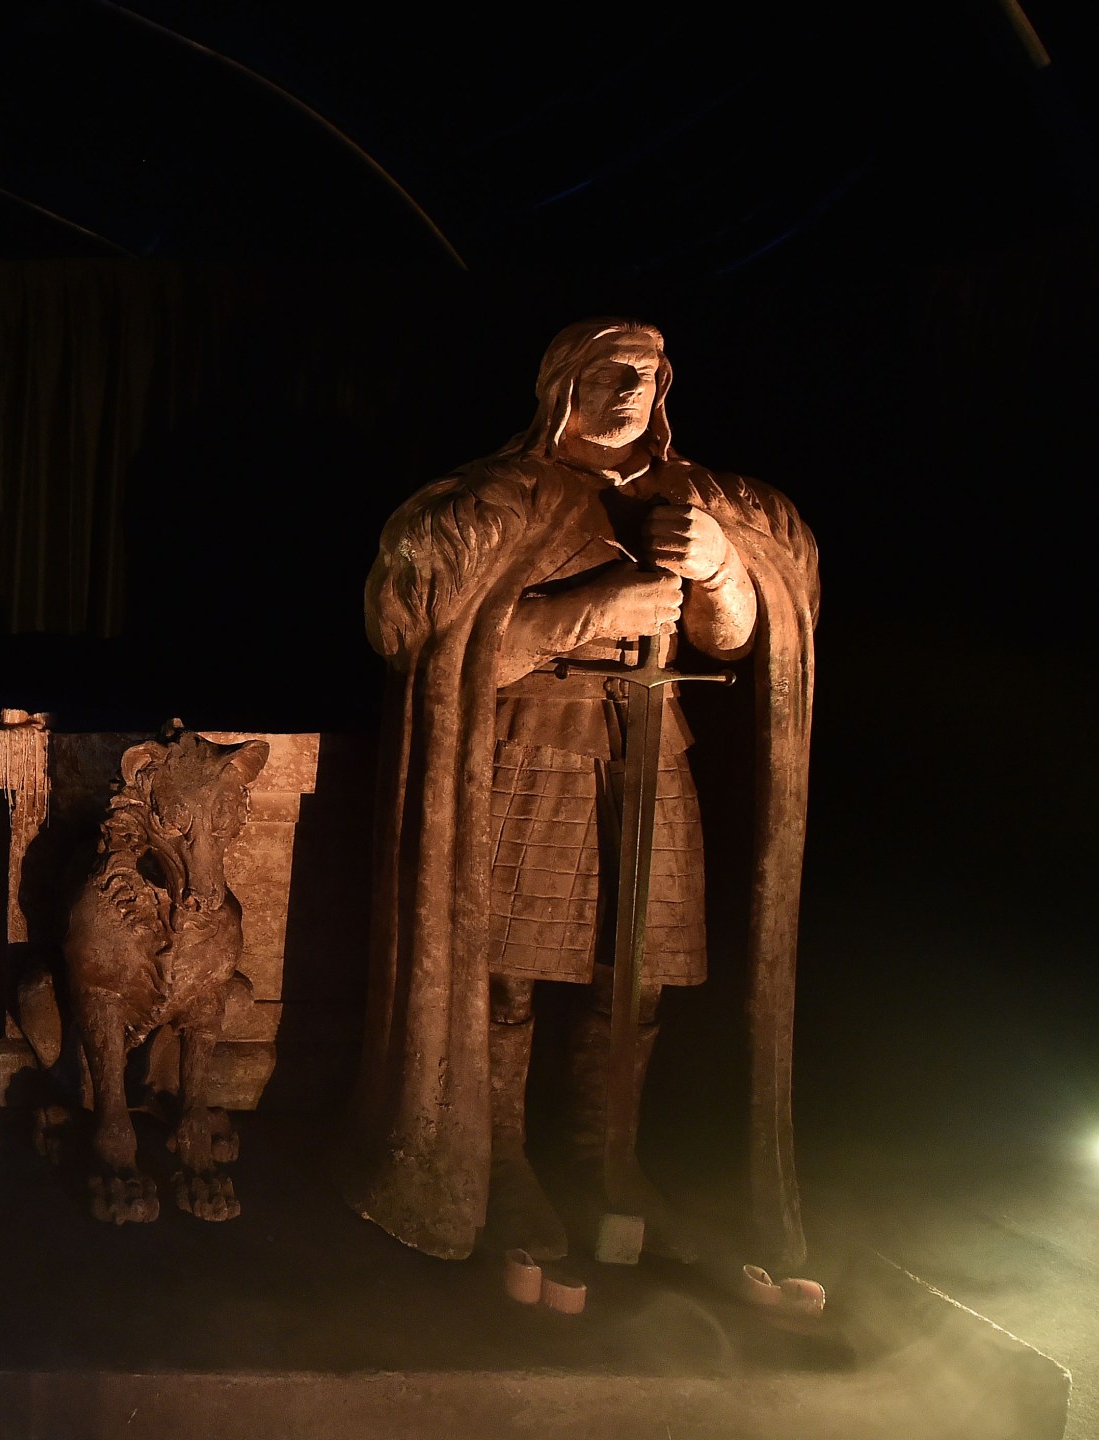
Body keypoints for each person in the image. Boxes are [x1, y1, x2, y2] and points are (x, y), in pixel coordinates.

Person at [337, 319, 819, 1265]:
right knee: (505, 975)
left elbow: (737, 640)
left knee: (631, 975)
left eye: (648, 372)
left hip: (650, 748)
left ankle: (610, 1158)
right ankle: (503, 1162)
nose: (632, 386)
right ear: (562, 383)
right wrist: (590, 610)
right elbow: (426, 642)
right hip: (528, 747)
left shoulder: (696, 495)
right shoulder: (496, 501)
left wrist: (721, 565)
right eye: (610, 370)